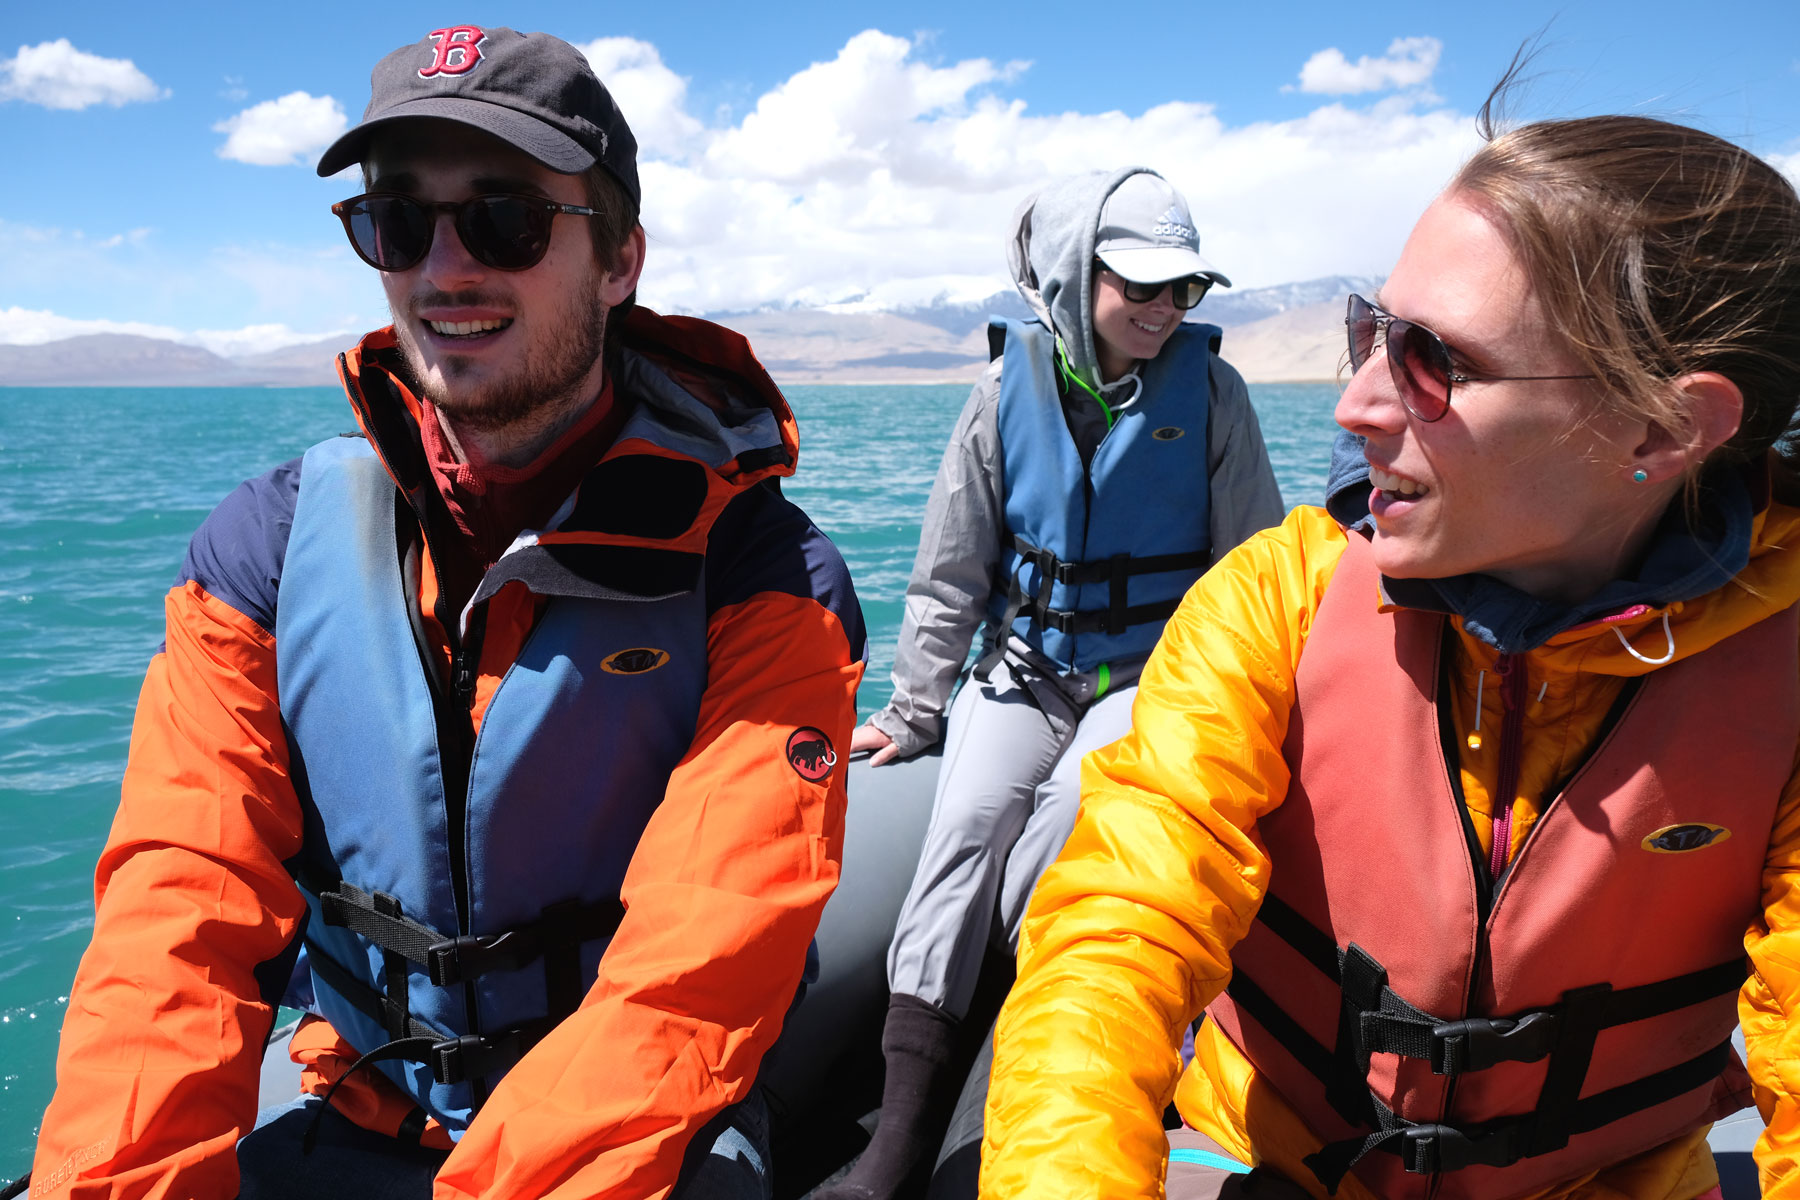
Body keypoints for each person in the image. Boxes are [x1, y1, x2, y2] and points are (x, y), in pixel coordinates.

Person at [27, 26, 865, 1200]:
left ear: (620, 258)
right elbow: (181, 913)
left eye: (507, 218)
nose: (444, 268)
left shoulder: (766, 578)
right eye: (400, 221)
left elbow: (698, 972)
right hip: (360, 1114)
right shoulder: (260, 552)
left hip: (643, 1149)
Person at [979, 105, 1800, 1200]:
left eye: (1434, 364)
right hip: (1264, 1165)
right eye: (1372, 333)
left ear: (1661, 431)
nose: (1357, 403)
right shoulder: (1282, 599)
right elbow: (1116, 933)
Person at [826, 168, 1283, 1200]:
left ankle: (1024, 1066)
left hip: (1149, 678)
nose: (1166, 310)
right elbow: (949, 571)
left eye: (1184, 291)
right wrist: (912, 710)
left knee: (1077, 810)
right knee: (962, 831)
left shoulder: (1214, 395)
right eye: (1143, 287)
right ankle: (898, 1140)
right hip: (1026, 673)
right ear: (1080, 279)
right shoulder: (1001, 392)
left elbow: (1257, 568)